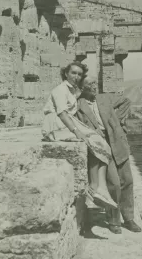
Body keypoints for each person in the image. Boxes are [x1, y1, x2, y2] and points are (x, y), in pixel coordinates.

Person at [41, 61, 117, 209]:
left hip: (68, 122)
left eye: (79, 74)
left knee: (103, 145)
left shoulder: (72, 90)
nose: (76, 76)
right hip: (57, 124)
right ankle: (96, 187)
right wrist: (77, 132)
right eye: (73, 73)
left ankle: (100, 188)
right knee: (94, 142)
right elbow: (62, 114)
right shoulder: (60, 89)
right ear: (66, 73)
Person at [76, 77, 142, 234]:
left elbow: (125, 101)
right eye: (89, 85)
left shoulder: (105, 97)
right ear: (82, 88)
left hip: (117, 141)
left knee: (127, 180)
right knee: (114, 183)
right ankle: (113, 220)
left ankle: (129, 218)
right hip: (101, 145)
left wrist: (116, 122)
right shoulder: (79, 105)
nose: (94, 87)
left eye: (94, 84)